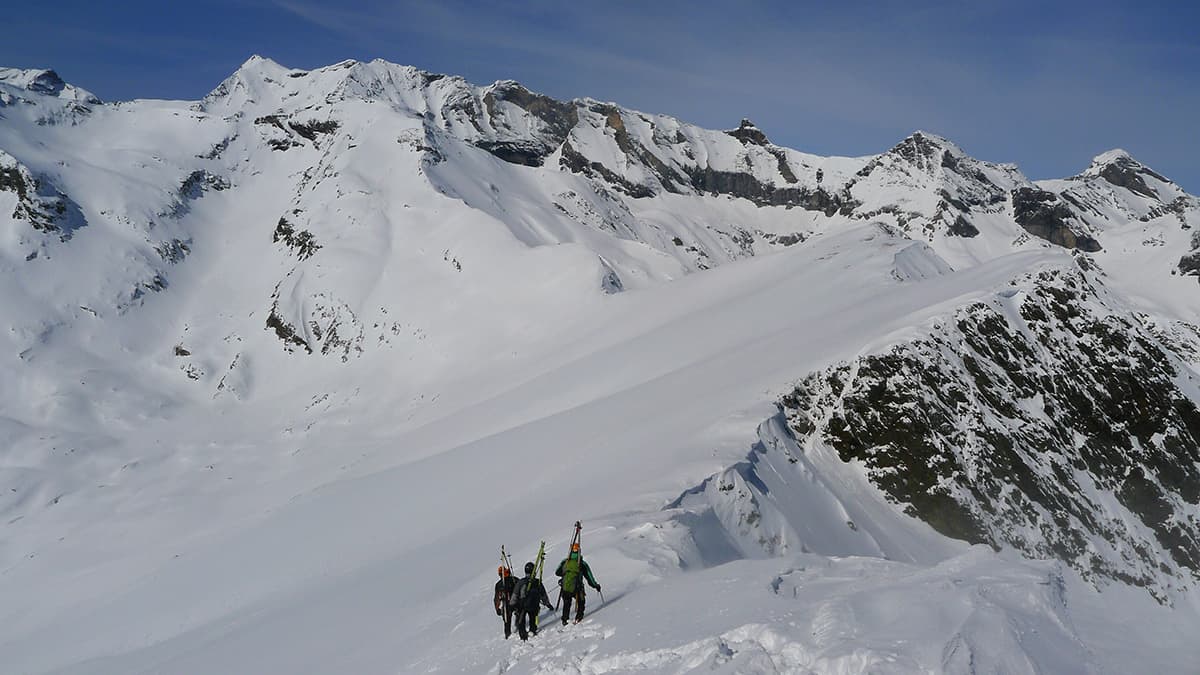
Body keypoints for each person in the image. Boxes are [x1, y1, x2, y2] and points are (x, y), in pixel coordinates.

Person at [554, 543, 601, 625]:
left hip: (565, 587)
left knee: (566, 603)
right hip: (578, 588)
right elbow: (589, 578)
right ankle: (578, 617)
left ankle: (565, 620)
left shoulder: (565, 562)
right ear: (579, 551)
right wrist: (595, 586)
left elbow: (557, 572)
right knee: (581, 602)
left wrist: (566, 573)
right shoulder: (582, 564)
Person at [513, 561, 554, 641]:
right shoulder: (537, 582)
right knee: (533, 619)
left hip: (523, 605)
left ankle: (523, 635)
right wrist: (548, 604)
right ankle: (532, 630)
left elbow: (515, 595)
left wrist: (513, 605)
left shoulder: (521, 582)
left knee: (522, 621)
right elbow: (543, 595)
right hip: (534, 606)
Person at [493, 565, 517, 638]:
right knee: (518, 615)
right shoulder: (514, 579)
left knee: (507, 621)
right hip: (515, 602)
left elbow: (496, 598)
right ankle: (519, 626)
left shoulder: (499, 584)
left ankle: (508, 634)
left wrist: (497, 609)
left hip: (507, 605)